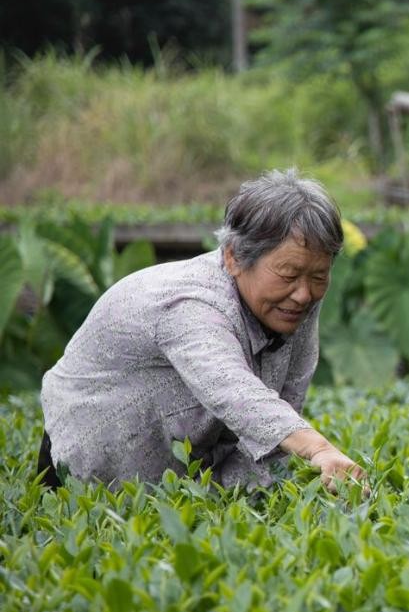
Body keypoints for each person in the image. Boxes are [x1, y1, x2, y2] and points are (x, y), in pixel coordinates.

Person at [38, 169, 366, 490]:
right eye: (288, 274)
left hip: (181, 480)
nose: (304, 294)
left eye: (319, 276)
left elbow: (286, 399)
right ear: (234, 257)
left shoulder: (294, 299)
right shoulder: (189, 304)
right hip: (79, 469)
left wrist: (245, 498)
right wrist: (319, 449)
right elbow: (234, 393)